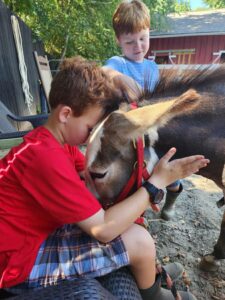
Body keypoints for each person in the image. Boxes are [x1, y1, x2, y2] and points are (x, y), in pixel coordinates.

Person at [0, 56, 209, 300]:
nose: (91, 136)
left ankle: (149, 274)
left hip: (32, 238)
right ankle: (152, 294)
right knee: (138, 241)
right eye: (90, 128)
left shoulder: (57, 144)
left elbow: (93, 181)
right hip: (17, 264)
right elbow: (103, 230)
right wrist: (156, 184)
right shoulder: (45, 156)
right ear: (66, 114)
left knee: (133, 230)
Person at [104, 0, 183, 221]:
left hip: (154, 132)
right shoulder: (117, 63)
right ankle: (135, 211)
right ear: (118, 40)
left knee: (171, 172)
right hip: (129, 136)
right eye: (130, 42)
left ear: (149, 33)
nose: (138, 46)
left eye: (143, 39)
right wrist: (121, 79)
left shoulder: (152, 67)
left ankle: (172, 197)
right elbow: (104, 72)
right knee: (135, 177)